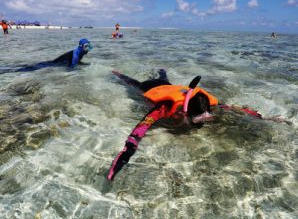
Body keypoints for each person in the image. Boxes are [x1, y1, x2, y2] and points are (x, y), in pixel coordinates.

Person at [106, 69, 267, 180]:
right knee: (131, 83)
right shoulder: (162, 108)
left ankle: (162, 71)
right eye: (195, 121)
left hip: (168, 86)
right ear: (183, 113)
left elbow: (233, 107)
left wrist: (264, 117)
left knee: (165, 79)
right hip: (150, 86)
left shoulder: (203, 103)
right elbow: (136, 135)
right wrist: (121, 161)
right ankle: (117, 73)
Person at [15, 38, 93, 72]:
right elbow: (70, 69)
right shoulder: (76, 55)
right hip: (54, 64)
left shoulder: (79, 52)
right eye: (87, 47)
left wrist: (84, 65)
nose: (88, 49)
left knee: (37, 65)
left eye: (89, 47)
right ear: (82, 47)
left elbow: (76, 62)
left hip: (56, 62)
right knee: (31, 68)